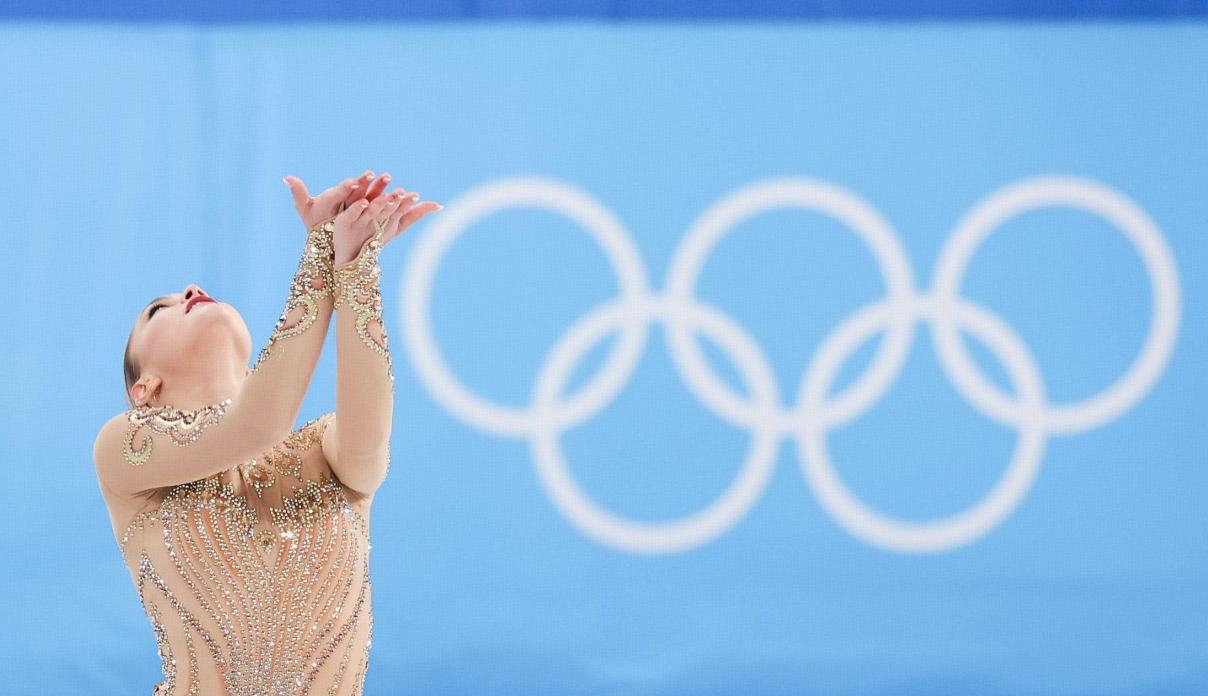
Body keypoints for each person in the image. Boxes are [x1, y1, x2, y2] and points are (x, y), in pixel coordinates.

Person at [92, 170, 441, 695]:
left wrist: (355, 265)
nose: (190, 291)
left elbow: (367, 443)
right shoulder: (124, 450)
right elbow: (256, 424)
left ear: (259, 369)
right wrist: (320, 250)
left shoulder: (323, 450)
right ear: (145, 388)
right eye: (158, 311)